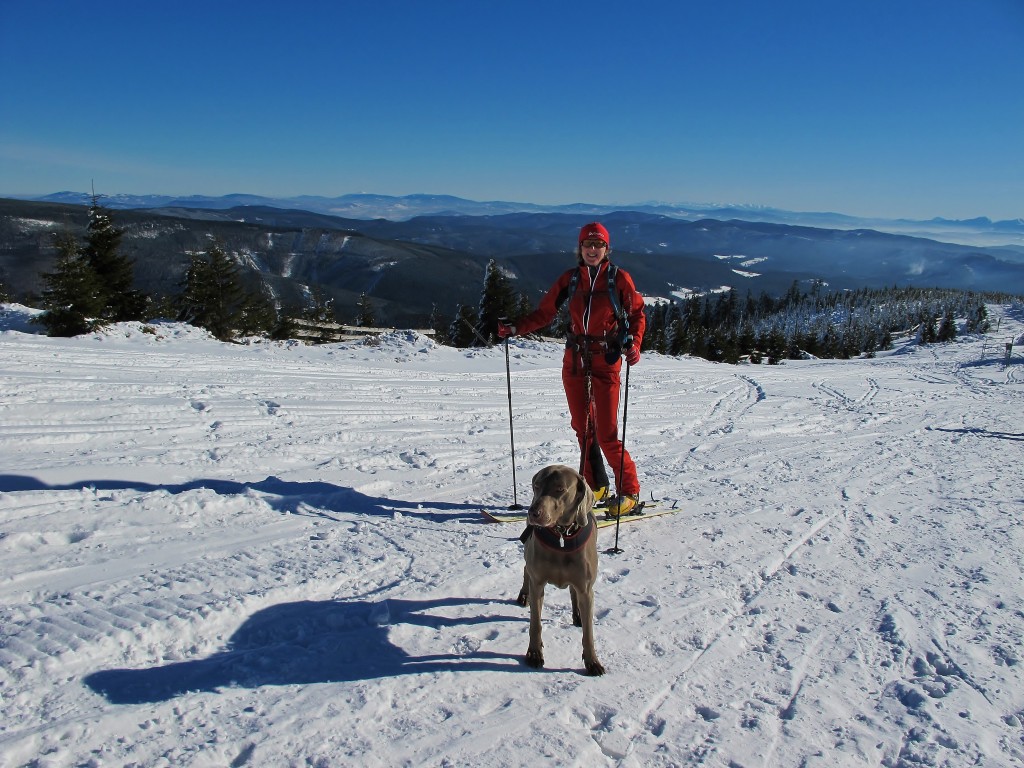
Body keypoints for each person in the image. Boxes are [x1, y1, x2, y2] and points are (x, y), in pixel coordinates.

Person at [498, 222, 646, 516]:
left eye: (598, 245)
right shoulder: (571, 280)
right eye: (587, 245)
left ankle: (629, 492)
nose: (592, 250)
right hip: (575, 360)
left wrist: (635, 344)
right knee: (582, 428)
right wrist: (515, 328)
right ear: (580, 249)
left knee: (607, 433)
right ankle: (597, 486)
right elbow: (545, 313)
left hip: (606, 360)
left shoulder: (619, 279)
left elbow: (637, 313)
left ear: (607, 249)